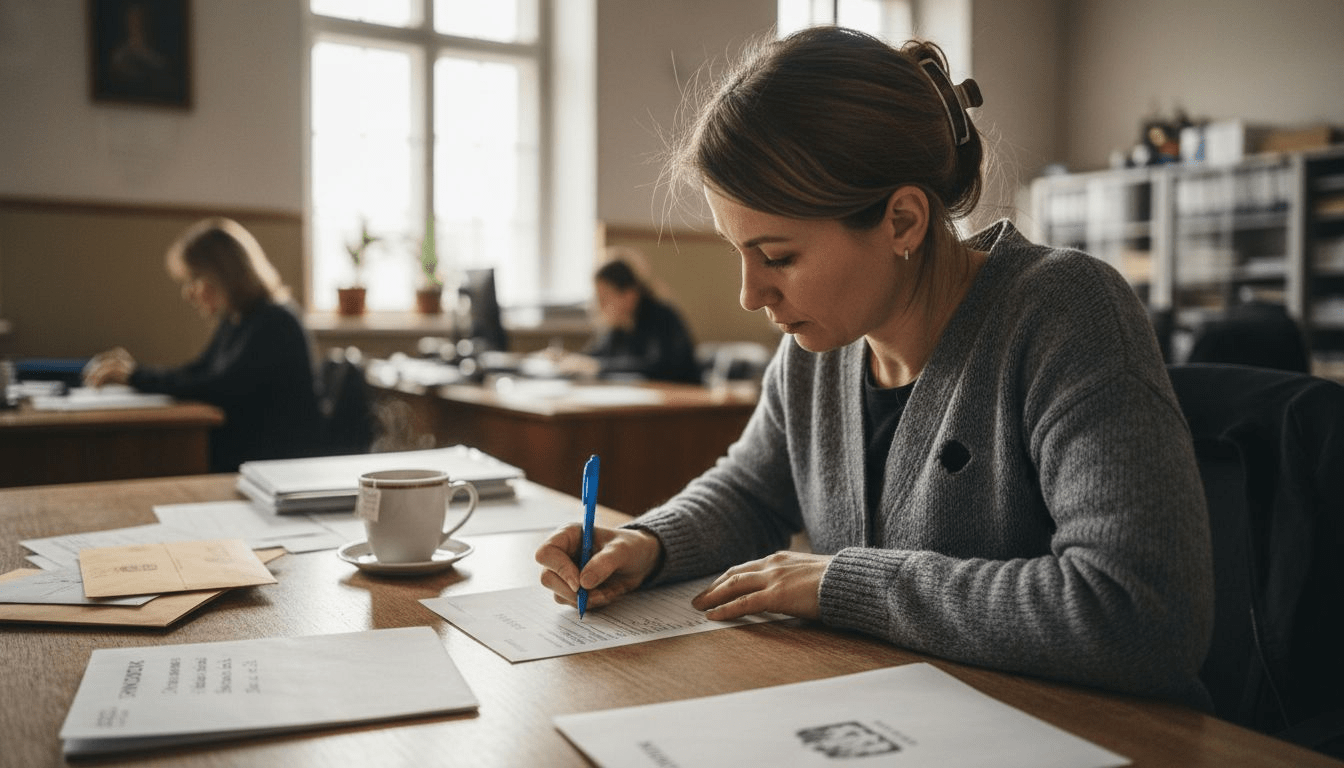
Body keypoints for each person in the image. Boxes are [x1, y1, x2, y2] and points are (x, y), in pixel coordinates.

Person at [536, 27, 1215, 709]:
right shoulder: (818, 351)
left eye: (777, 257)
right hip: (901, 721)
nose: (751, 295)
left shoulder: (1066, 313)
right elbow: (751, 491)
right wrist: (649, 542)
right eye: (740, 254)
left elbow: (1142, 613)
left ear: (902, 222)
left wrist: (844, 584)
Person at [84, 217, 323, 472]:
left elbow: (218, 387)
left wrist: (137, 376)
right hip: (248, 457)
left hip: (273, 467)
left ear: (224, 274)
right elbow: (198, 370)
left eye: (194, 279)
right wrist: (135, 372)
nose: (189, 293)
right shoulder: (237, 319)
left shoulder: (275, 321)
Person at [556, 253, 702, 384]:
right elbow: (596, 355)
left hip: (680, 402)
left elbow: (657, 367)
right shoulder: (619, 327)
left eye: (605, 298)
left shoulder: (662, 318)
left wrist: (598, 366)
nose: (599, 306)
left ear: (629, 295)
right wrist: (565, 359)